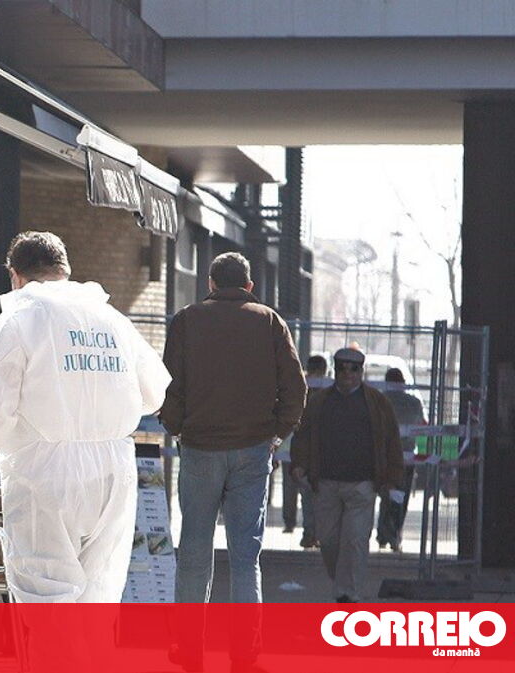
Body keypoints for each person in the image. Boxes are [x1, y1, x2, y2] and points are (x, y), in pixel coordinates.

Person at [0, 231, 171, 604]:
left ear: (15, 274)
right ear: (65, 270)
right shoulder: (111, 318)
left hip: (44, 469)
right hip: (114, 469)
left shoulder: (19, 319)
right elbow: (154, 393)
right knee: (98, 598)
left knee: (45, 594)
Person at [161, 252, 305, 673]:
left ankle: (190, 650)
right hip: (252, 449)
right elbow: (295, 386)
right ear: (249, 286)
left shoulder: (187, 320)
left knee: (194, 550)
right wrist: (277, 433)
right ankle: (244, 654)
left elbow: (169, 383)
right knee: (245, 556)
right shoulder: (269, 322)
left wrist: (177, 428)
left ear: (210, 283)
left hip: (200, 447)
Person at [291, 348, 405, 603]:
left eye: (353, 370)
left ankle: (348, 594)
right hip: (326, 483)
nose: (348, 375)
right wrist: (299, 465)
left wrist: (392, 478)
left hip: (362, 485)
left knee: (355, 540)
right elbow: (303, 435)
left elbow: (392, 441)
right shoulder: (319, 402)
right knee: (328, 541)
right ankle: (344, 581)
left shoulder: (377, 403)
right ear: (335, 371)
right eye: (342, 369)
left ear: (361, 372)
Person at [280, 355, 330, 549]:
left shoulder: (298, 387)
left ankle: (293, 523)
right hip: (317, 450)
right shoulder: (328, 391)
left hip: (291, 447)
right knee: (314, 493)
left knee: (294, 489)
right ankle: (312, 532)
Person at [375, 368, 425, 552]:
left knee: (386, 494)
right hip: (406, 457)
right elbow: (421, 426)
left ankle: (383, 533)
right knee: (400, 497)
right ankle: (394, 533)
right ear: (403, 383)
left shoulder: (379, 401)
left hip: (383, 457)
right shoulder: (414, 403)